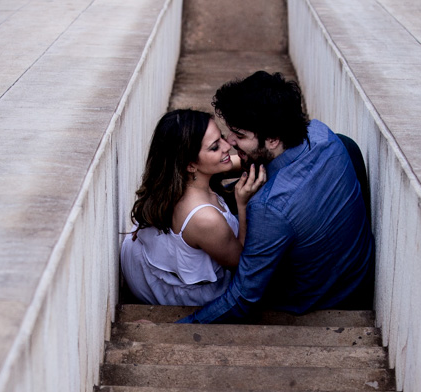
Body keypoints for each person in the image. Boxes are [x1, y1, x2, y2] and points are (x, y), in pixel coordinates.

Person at [181, 71, 375, 324]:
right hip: (358, 270)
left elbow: (243, 299)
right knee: (347, 144)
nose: (229, 142)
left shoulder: (268, 208)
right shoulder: (322, 136)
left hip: (325, 301)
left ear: (272, 139)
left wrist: (179, 328)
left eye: (239, 136)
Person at [121, 109, 266, 306]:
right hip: (177, 291)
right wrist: (243, 204)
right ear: (190, 165)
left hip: (142, 260)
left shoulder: (177, 179)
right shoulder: (205, 218)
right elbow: (240, 261)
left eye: (222, 137)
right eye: (215, 147)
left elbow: (244, 162)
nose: (227, 146)